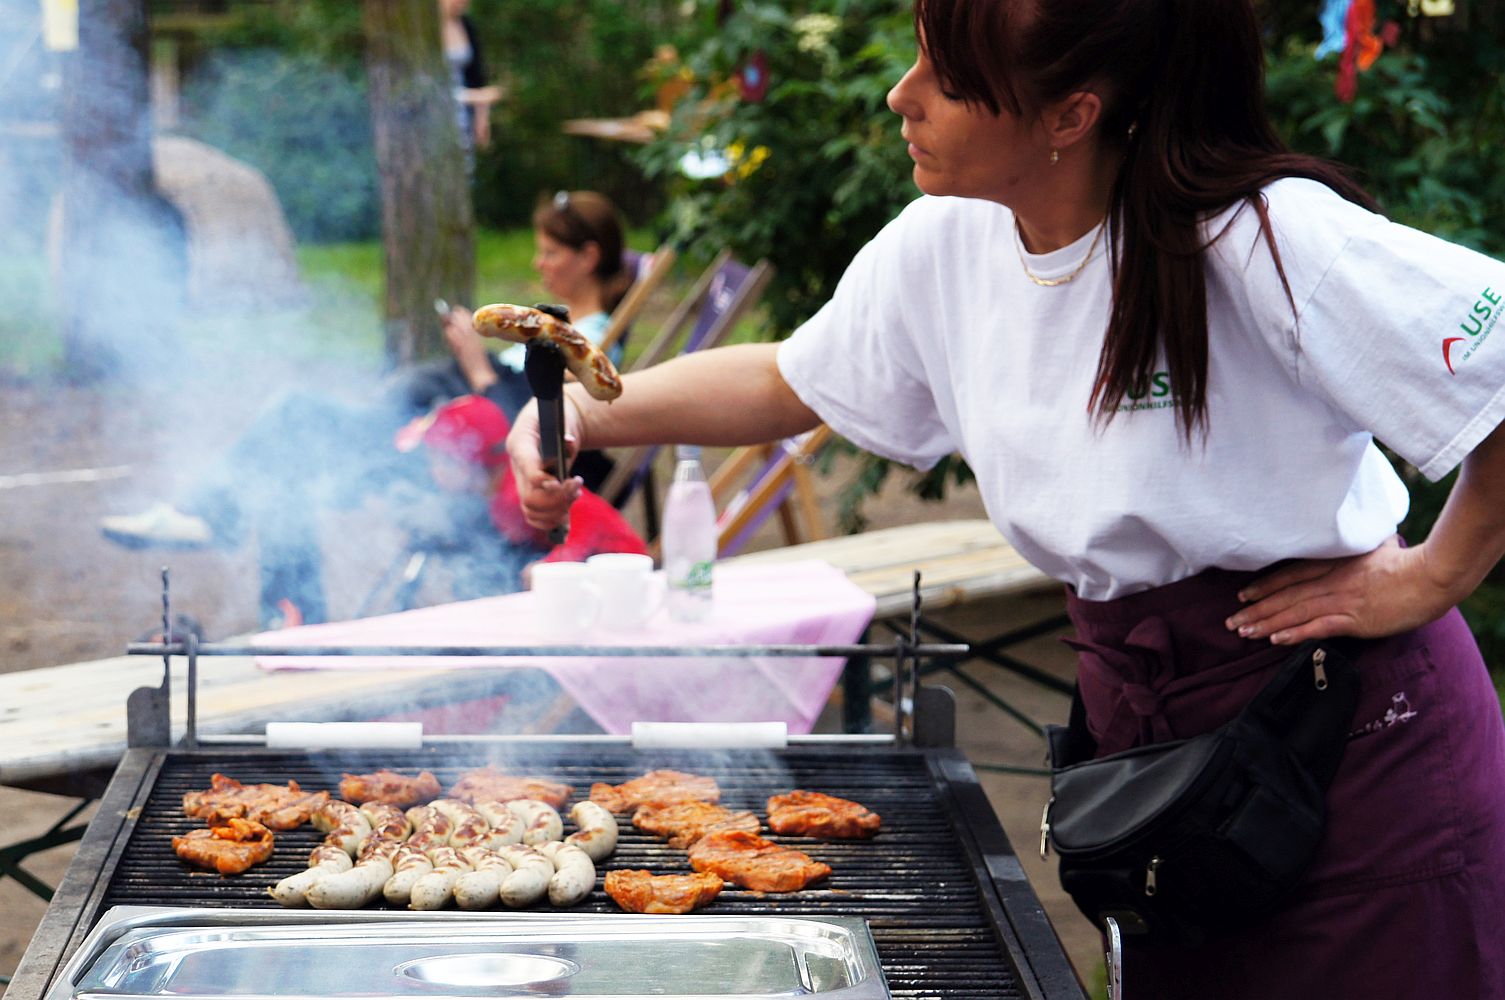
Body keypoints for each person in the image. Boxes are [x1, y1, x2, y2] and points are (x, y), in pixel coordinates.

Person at [505, 0, 1505, 995]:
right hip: (1157, 754)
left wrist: (1430, 574)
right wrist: (593, 415)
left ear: (1068, 114)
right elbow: (790, 377)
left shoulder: (1261, 237)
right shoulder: (947, 241)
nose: (903, 96)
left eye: (945, 75)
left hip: (1351, 759)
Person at [100, 190, 636, 629]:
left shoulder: (586, 345)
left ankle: (257, 573)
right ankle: (265, 580)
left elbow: (531, 427)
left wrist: (476, 365)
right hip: (445, 449)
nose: (539, 264)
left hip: (464, 476)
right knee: (294, 445)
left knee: (295, 429)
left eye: (551, 253)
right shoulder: (561, 331)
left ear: (588, 257)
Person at [394, 393, 648, 593]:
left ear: (466, 460)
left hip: (619, 569)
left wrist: (552, 566)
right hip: (595, 573)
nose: (432, 470)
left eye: (439, 459)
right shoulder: (494, 492)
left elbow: (586, 517)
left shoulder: (517, 490)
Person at [439, 0, 502, 154]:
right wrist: (475, 97)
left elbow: (477, 76)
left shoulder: (467, 25)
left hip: (463, 119)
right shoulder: (425, 29)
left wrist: (482, 116)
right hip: (436, 119)